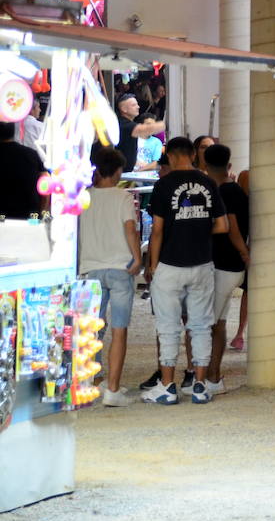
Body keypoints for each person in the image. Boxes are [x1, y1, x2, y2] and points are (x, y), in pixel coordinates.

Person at [142, 136, 227, 405]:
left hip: (170, 263)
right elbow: (222, 225)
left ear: (168, 154)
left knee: (168, 328)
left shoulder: (163, 184)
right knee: (201, 326)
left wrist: (153, 265)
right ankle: (200, 385)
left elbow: (156, 231)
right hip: (202, 263)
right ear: (193, 154)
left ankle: (168, 386)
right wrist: (200, 231)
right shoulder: (208, 182)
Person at [81, 146, 142, 407]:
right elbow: (130, 229)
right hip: (120, 269)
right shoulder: (123, 198)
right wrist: (138, 257)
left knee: (91, 331)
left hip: (90, 269)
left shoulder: (84, 197)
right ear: (117, 171)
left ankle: (86, 384)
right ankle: (113, 391)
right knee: (119, 329)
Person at [203, 144, 249, 392]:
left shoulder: (223, 192)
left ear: (205, 166)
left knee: (210, 323)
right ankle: (213, 375)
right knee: (218, 322)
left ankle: (209, 376)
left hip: (224, 264)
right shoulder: (234, 190)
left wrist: (244, 253)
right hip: (228, 264)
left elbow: (231, 227)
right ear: (229, 166)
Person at [103, 92, 165, 170]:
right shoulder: (123, 124)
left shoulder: (128, 124)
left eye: (137, 104)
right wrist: (167, 123)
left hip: (126, 172)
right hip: (120, 175)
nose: (138, 107)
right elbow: (146, 130)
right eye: (134, 105)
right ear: (123, 109)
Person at [0, 120, 48, 218]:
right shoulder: (32, 154)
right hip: (29, 217)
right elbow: (46, 182)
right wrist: (42, 210)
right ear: (14, 132)